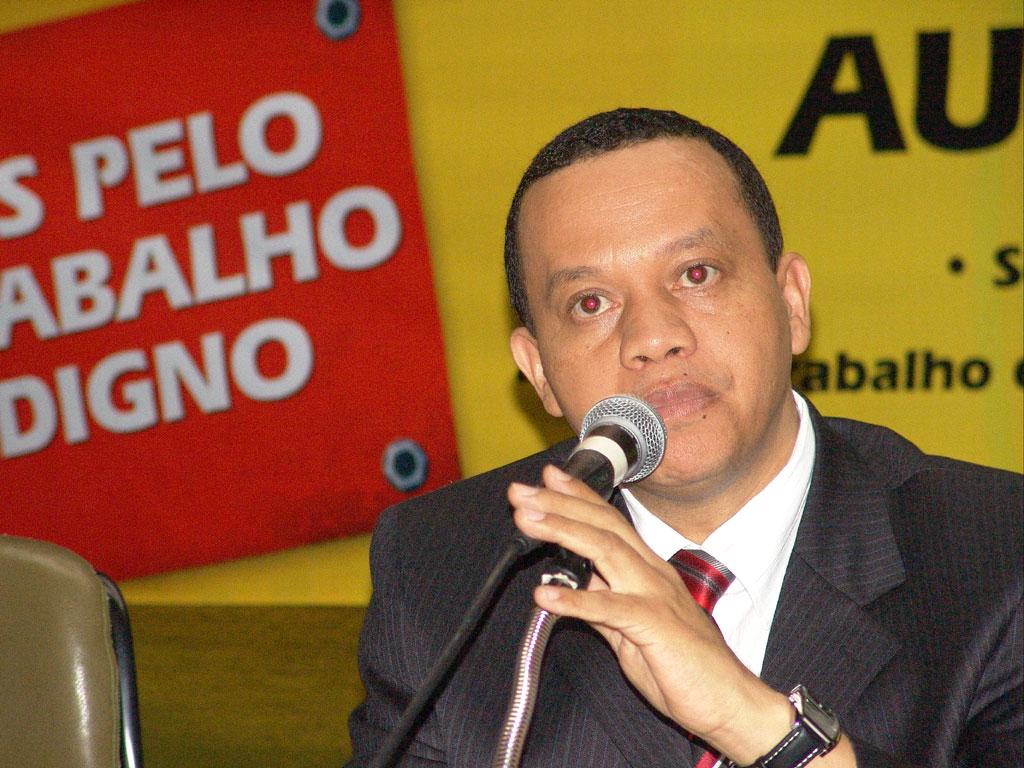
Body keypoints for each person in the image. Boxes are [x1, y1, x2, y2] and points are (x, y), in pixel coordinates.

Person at [346, 108, 1023, 767]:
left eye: (696, 274)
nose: (652, 337)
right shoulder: (448, 568)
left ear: (792, 303)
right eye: (591, 303)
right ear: (539, 372)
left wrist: (747, 719)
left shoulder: (996, 554)